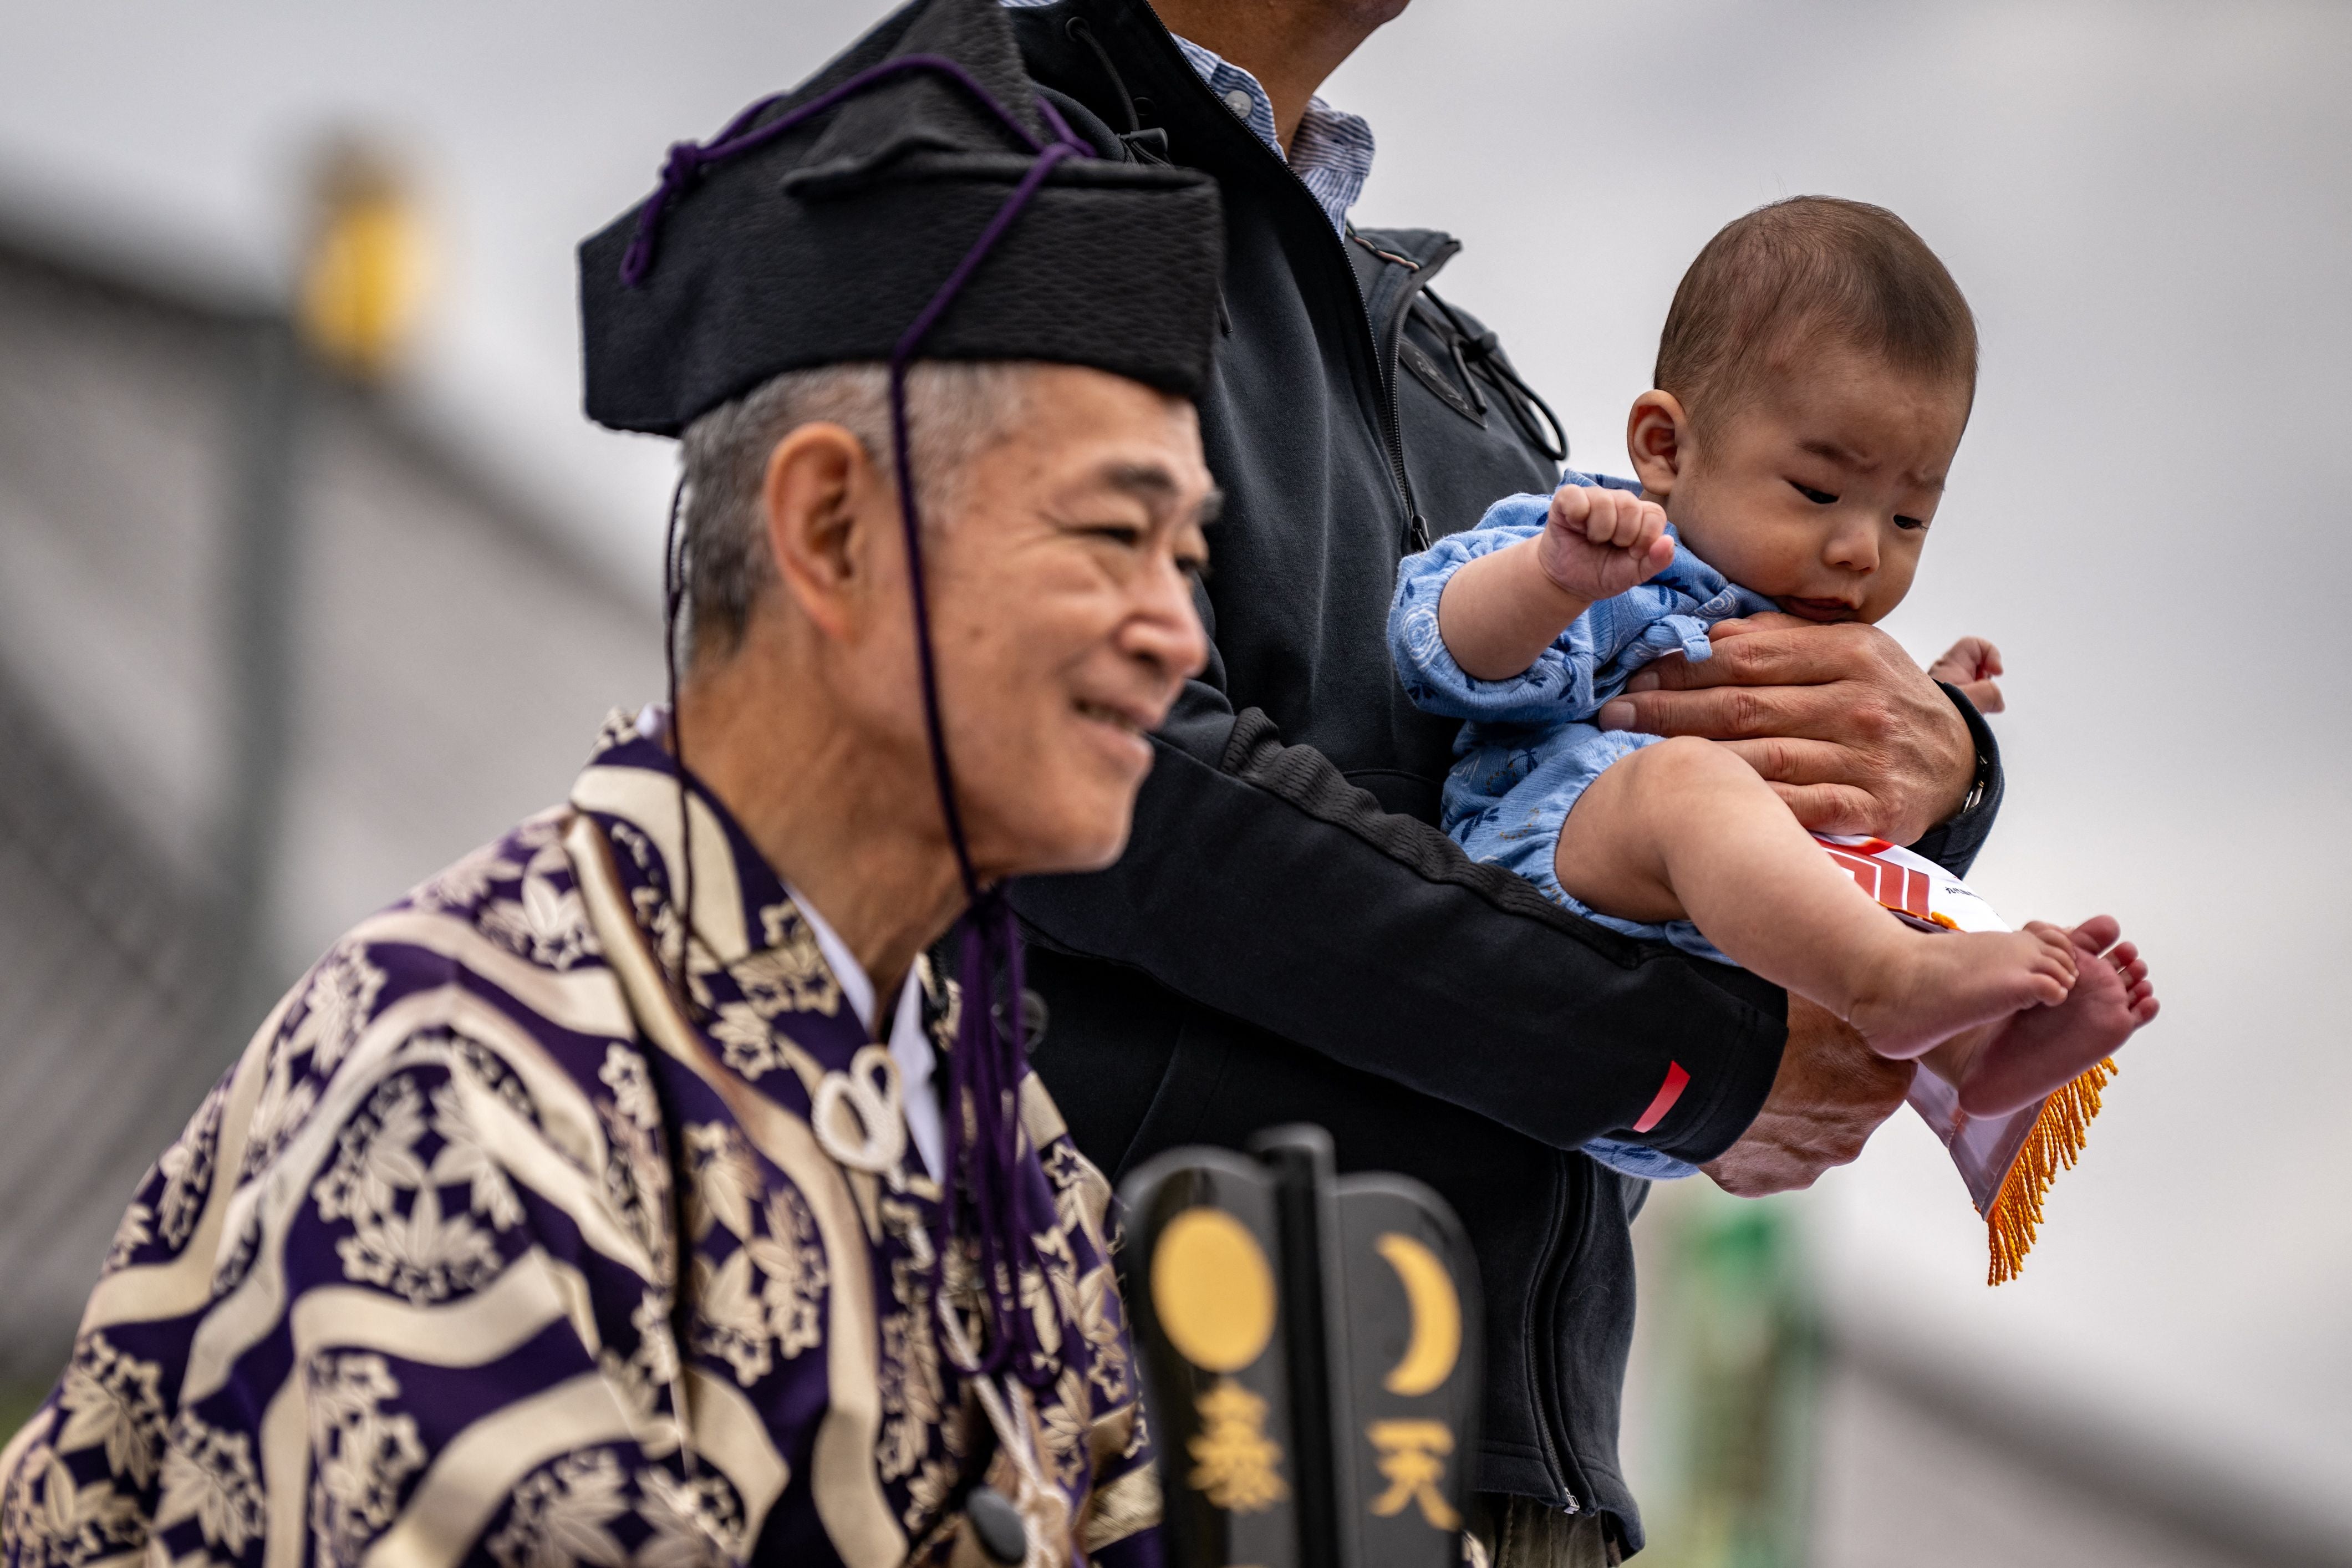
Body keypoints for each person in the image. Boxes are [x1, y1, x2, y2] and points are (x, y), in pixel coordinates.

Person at [0, 4, 1226, 1565]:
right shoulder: (466, 1070)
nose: (1179, 633)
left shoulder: (985, 1114)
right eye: (1115, 536)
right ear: (832, 530)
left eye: (1189, 554)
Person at [996, 3, 2006, 1561]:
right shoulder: (1000, 171)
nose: (1863, 543)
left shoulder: (1441, 354)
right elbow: (1118, 792)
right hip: (1149, 1392)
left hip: (1517, 1459)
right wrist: (1688, 1060)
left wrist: (1942, 768)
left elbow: (1650, 753)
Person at [1391, 197, 2159, 1121]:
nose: (1861, 550)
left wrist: (1941, 699)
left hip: (1721, 1006)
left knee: (1866, 865)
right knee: (1687, 786)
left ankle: (1971, 1059)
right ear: (1664, 448)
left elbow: (1857, 751)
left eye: (1908, 517)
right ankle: (1889, 981)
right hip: (1544, 876)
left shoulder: (1823, 628)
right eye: (1818, 490)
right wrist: (1553, 579)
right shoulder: (1608, 546)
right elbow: (1440, 646)